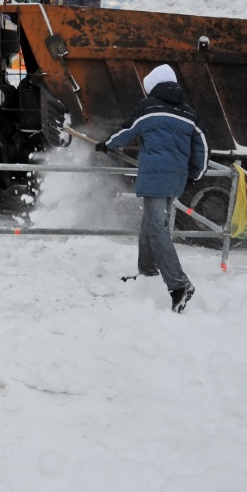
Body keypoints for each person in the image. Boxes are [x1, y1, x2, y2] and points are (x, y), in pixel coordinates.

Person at [98, 64, 209, 314]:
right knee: (150, 223)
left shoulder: (148, 108)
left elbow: (127, 131)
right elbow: (201, 144)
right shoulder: (189, 113)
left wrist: (107, 144)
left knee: (157, 229)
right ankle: (147, 272)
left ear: (154, 88)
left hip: (155, 177)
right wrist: (195, 173)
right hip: (176, 179)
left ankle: (179, 285)